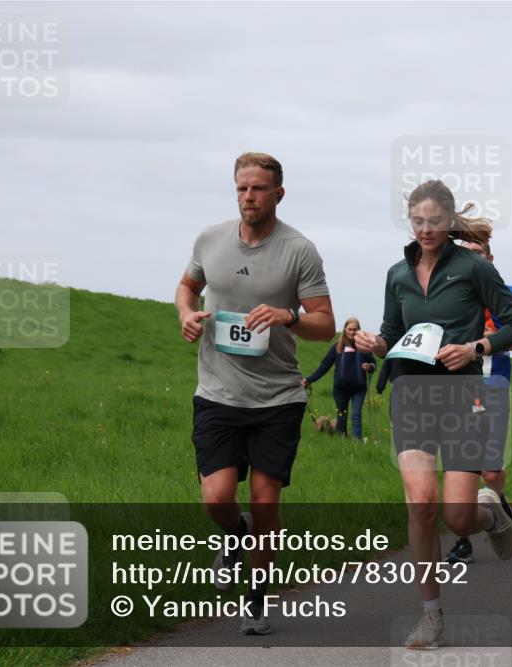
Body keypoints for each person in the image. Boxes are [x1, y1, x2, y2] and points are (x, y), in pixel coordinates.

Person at [354, 180, 512, 650]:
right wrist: (378, 343)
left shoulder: (473, 268)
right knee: (422, 502)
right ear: (410, 222)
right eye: (418, 220)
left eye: (435, 220)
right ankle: (430, 615)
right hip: (411, 392)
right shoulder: (397, 273)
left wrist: (476, 345)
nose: (426, 228)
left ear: (449, 221)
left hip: (464, 394)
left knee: (456, 516)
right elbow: (393, 329)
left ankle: (489, 516)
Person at [175, 152, 335, 635]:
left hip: (278, 399)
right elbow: (186, 287)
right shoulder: (210, 239)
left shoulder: (299, 250)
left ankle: (258, 598)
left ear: (278, 194)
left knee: (267, 504)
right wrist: (185, 313)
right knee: (216, 497)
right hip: (218, 393)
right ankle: (234, 534)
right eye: (243, 188)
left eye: (259, 189)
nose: (249, 197)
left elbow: (325, 326)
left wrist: (289, 316)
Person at [445, 239, 512, 564]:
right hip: (460, 389)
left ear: (490, 258)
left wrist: (494, 343)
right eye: (466, 254)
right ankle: (463, 543)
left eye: (478, 254)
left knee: (490, 472)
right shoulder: (450, 297)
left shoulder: (508, 295)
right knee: (464, 467)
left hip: (494, 388)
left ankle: (496, 502)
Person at [302, 317, 376, 438]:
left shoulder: (363, 347)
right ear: (345, 330)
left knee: (356, 414)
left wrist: (370, 366)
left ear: (359, 330)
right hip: (340, 389)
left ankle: (357, 442)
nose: (352, 332)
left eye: (355, 329)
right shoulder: (337, 347)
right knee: (341, 417)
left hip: (359, 389)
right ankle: (340, 439)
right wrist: (309, 380)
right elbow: (324, 366)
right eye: (350, 329)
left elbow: (373, 363)